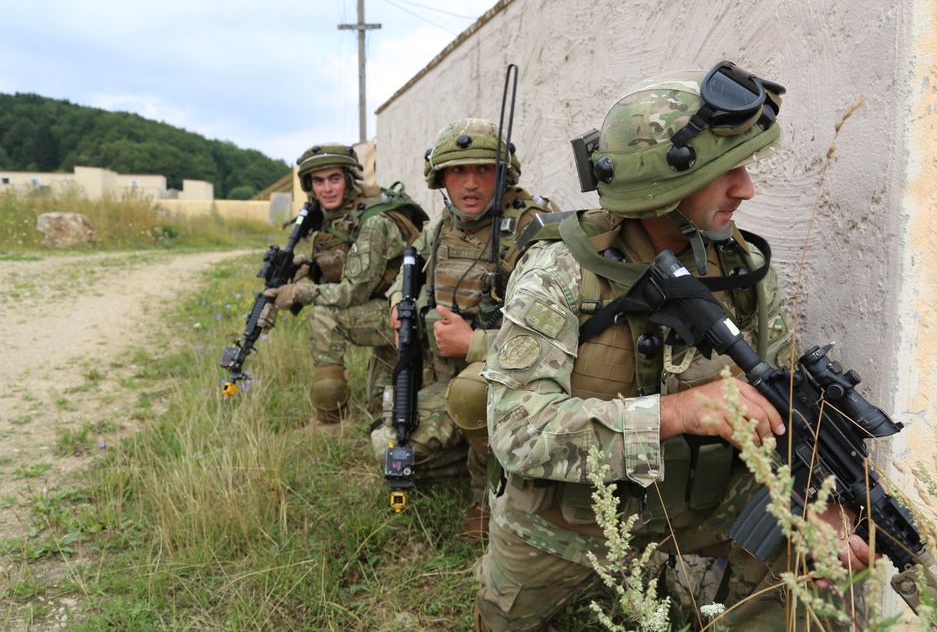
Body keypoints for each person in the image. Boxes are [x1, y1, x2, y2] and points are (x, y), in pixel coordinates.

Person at [473, 64, 875, 630]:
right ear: (661, 183)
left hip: (696, 507)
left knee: (827, 566)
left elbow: (785, 411)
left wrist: (822, 502)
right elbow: (516, 431)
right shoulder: (559, 270)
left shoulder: (740, 267)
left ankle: (692, 583)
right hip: (567, 526)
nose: (746, 187)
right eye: (725, 170)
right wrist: (680, 411)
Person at [370, 118, 553, 539]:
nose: (470, 184)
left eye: (483, 170)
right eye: (458, 171)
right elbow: (409, 273)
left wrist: (475, 343)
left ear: (504, 174)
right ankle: (468, 453)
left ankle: (492, 494)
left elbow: (557, 332)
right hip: (447, 382)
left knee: (474, 391)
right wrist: (400, 304)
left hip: (516, 385)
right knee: (390, 449)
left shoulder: (535, 231)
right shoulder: (442, 228)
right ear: (441, 179)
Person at [263, 143, 426, 431]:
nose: (326, 188)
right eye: (318, 181)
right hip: (390, 307)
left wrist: (300, 292)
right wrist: (313, 266)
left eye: (334, 179)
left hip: (413, 317)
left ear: (349, 180)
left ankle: (331, 422)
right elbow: (355, 262)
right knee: (379, 401)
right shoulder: (342, 215)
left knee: (325, 316)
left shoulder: (374, 220)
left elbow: (354, 292)